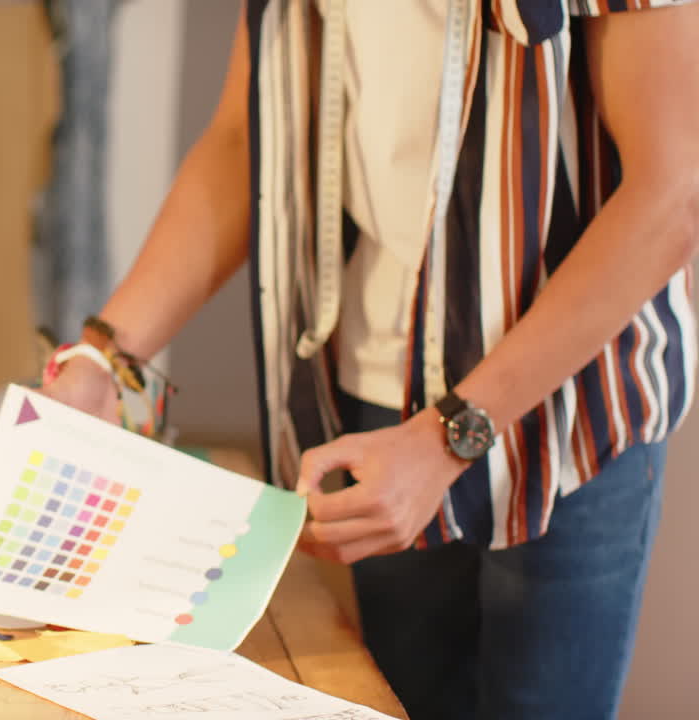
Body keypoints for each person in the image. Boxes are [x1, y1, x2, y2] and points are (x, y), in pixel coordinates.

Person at [42, 1, 699, 718]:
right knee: (400, 701)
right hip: (376, 401)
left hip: (573, 410)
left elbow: (674, 191)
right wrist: (105, 356)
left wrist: (449, 434)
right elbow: (241, 138)